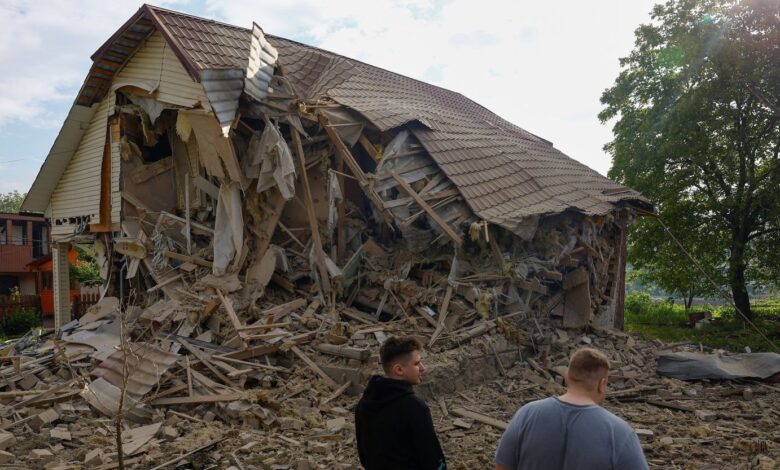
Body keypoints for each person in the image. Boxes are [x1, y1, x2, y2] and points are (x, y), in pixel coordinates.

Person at [495, 347, 648, 470]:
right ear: (602, 385)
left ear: (567, 378)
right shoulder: (620, 433)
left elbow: (501, 467)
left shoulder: (526, 414)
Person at [355, 335, 447, 470]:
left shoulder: (364, 404)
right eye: (416, 363)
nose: (423, 368)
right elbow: (432, 459)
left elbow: (364, 457)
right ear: (399, 369)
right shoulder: (414, 408)